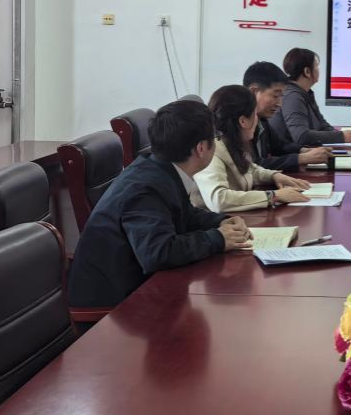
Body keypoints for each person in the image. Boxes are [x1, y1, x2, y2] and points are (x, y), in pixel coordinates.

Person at [66, 97, 252, 311]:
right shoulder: (145, 189)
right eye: (215, 138)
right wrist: (217, 239)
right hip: (113, 308)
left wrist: (221, 222)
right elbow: (158, 253)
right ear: (201, 148)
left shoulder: (160, 168)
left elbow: (184, 214)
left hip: (139, 286)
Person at [194, 85, 315, 213]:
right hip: (213, 222)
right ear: (243, 121)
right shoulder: (210, 151)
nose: (257, 120)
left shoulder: (231, 143)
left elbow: (250, 169)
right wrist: (273, 196)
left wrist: (274, 176)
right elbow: (219, 199)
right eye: (255, 114)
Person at [269, 47, 351, 149]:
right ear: (307, 71)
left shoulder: (305, 92)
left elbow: (322, 125)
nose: (319, 70)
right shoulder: (292, 96)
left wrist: (345, 135)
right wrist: (341, 136)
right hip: (292, 155)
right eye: (316, 66)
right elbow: (302, 136)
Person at [244, 60, 331, 172]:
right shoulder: (239, 123)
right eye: (276, 95)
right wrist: (301, 158)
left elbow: (280, 146)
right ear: (254, 91)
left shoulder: (262, 120)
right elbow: (253, 165)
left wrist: (303, 150)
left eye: (281, 96)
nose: (280, 104)